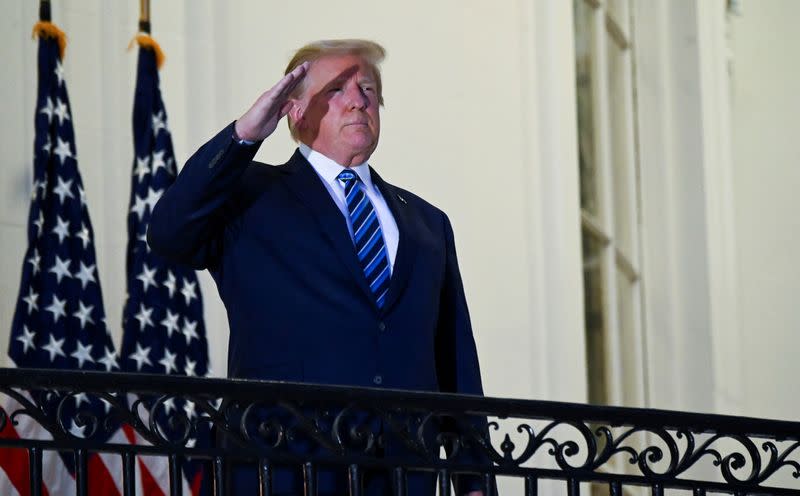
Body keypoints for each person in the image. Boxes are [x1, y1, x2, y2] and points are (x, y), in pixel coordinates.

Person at [149, 39, 488, 496]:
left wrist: (474, 479)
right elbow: (169, 235)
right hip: (287, 469)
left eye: (367, 88)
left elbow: (454, 361)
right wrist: (244, 135)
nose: (358, 100)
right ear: (292, 110)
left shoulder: (427, 223)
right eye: (336, 89)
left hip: (404, 475)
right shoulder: (249, 195)